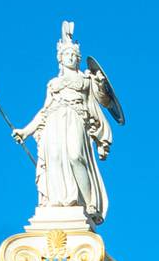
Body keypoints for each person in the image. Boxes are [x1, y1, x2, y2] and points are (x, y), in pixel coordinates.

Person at [14, 22, 117, 224]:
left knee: (74, 155)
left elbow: (104, 100)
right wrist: (25, 131)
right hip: (55, 120)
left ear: (78, 59)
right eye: (66, 55)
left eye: (73, 55)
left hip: (76, 117)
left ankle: (89, 203)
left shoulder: (85, 79)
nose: (70, 58)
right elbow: (44, 111)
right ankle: (61, 200)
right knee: (54, 157)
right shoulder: (53, 84)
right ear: (60, 59)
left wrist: (101, 83)